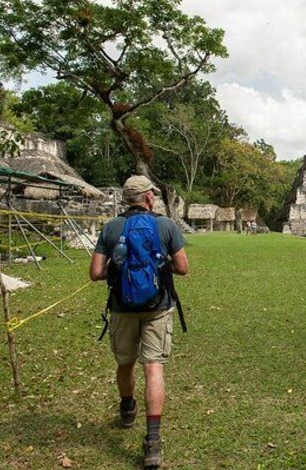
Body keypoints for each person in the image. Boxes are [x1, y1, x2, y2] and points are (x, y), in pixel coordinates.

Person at [89, 175, 189, 468]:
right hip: (158, 306)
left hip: (122, 307)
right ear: (147, 198)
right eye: (152, 195)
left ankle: (127, 408)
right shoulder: (165, 225)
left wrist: (120, 272)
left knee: (125, 363)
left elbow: (95, 272)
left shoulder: (111, 227)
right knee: (153, 367)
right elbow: (182, 267)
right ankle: (153, 442)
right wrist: (159, 267)